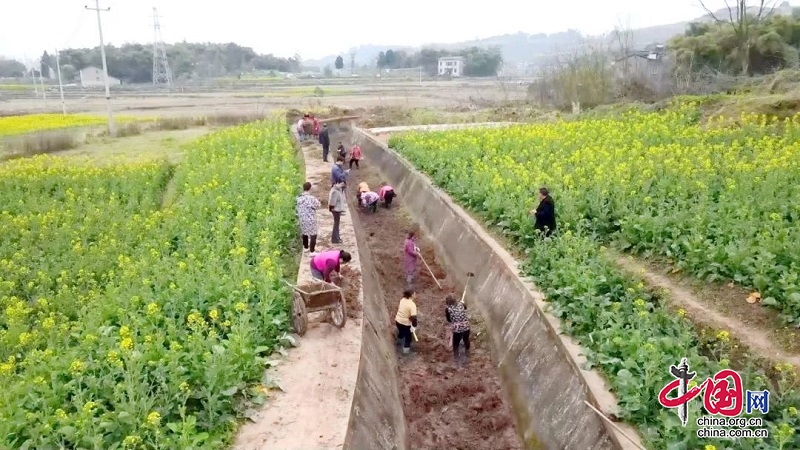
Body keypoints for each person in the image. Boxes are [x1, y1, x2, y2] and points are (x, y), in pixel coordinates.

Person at [445, 294, 471, 364]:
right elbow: (465, 307)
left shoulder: (448, 309)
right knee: (466, 340)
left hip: (457, 330)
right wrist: (462, 303)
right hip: (466, 327)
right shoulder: (461, 304)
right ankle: (467, 352)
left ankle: (456, 358)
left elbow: (449, 320)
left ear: (447, 302)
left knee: (455, 344)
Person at [296, 182, 320, 253]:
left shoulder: (299, 198)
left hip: (302, 219)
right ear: (310, 188)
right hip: (311, 219)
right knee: (313, 234)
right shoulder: (312, 198)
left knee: (304, 232)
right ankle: (312, 251)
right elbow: (318, 205)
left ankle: (306, 247)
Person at [394, 289, 418, 355]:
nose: (415, 294)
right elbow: (414, 318)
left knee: (401, 332)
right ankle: (405, 352)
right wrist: (414, 326)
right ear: (411, 295)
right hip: (405, 324)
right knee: (408, 338)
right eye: (414, 293)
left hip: (398, 321)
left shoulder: (402, 300)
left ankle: (398, 342)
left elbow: (403, 310)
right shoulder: (412, 305)